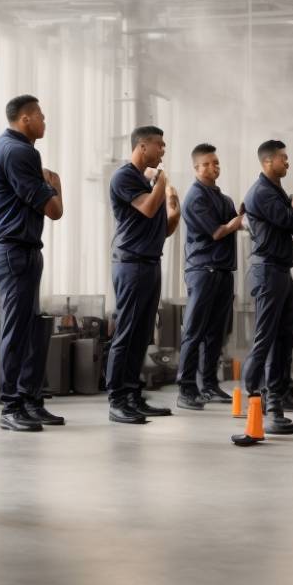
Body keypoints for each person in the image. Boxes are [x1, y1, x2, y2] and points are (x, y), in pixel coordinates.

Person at [0, 95, 65, 433]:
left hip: (23, 251)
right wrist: (56, 188)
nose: (45, 122)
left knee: (32, 327)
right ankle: (11, 406)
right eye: (41, 116)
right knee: (17, 331)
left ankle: (30, 400)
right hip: (14, 252)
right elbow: (54, 209)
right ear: (25, 119)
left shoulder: (12, 149)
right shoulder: (20, 151)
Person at [104, 126, 181, 424]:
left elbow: (160, 229)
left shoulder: (146, 182)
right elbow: (148, 210)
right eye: (159, 145)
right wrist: (161, 182)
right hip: (131, 264)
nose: (163, 150)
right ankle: (117, 400)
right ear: (142, 146)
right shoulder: (125, 177)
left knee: (141, 334)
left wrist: (174, 211)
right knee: (127, 333)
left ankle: (133, 394)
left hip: (149, 262)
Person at [240, 140, 293, 434]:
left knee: (285, 336)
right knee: (266, 338)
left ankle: (278, 399)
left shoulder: (275, 191)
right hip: (268, 270)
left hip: (280, 269)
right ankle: (257, 403)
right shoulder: (262, 194)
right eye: (283, 158)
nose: (287, 162)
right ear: (268, 162)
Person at [175, 144, 243, 410]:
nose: (213, 167)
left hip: (223, 272)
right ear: (196, 168)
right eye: (207, 164)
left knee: (217, 332)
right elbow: (217, 232)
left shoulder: (223, 199)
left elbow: (236, 222)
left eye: (216, 162)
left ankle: (211, 385)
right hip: (202, 271)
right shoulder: (195, 197)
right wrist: (236, 222)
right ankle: (186, 388)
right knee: (194, 330)